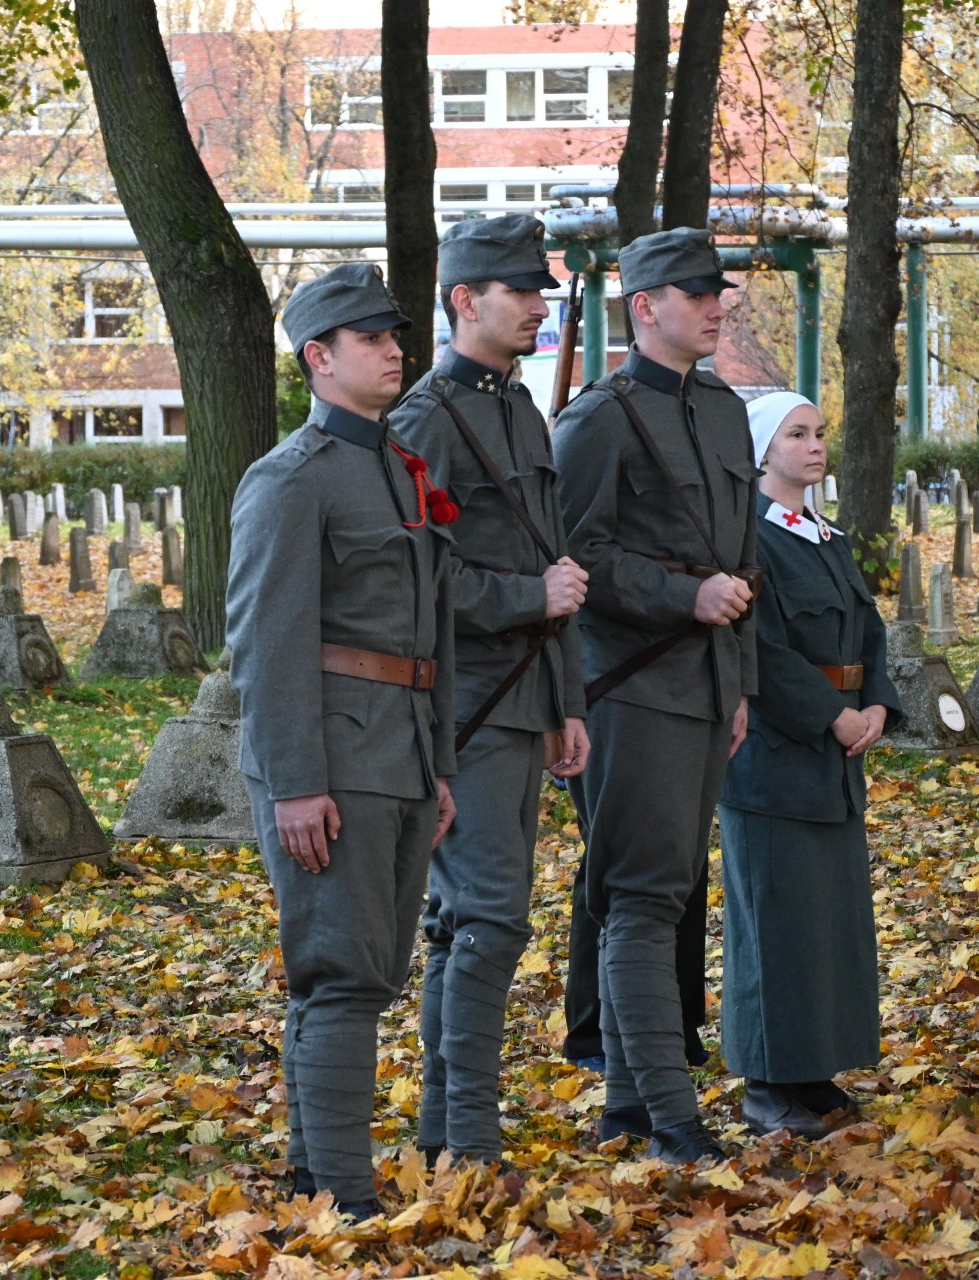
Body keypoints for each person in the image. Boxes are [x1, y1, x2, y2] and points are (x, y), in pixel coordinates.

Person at [227, 262, 458, 1219]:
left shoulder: (395, 467)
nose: (394, 349)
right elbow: (266, 641)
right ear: (319, 359)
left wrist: (438, 766)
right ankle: (347, 1194)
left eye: (395, 334)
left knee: (357, 971)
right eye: (370, 338)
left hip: (398, 752)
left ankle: (314, 1167)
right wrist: (292, 783)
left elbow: (426, 635)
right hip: (332, 758)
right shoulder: (290, 480)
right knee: (343, 975)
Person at [551, 227, 760, 1165]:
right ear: (645, 307)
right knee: (640, 898)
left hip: (707, 688)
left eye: (720, 291)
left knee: (668, 896)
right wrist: (685, 596)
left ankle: (630, 1110)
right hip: (629, 690)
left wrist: (741, 683)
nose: (720, 305)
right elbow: (578, 558)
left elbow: (741, 556)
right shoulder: (598, 417)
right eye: (698, 292)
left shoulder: (719, 407)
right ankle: (673, 1119)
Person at [387, 215, 587, 1167]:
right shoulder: (427, 417)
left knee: (465, 919)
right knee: (493, 914)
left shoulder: (521, 409)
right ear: (465, 300)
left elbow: (554, 562)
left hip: (523, 702)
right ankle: (467, 1135)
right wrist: (526, 600)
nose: (540, 306)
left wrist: (568, 702)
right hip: (463, 706)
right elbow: (421, 582)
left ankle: (447, 1130)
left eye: (541, 290)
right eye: (522, 291)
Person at [717, 392, 903, 1137]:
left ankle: (813, 1070)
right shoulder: (750, 542)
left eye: (821, 432)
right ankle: (768, 1084)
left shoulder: (827, 537)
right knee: (775, 924)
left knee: (826, 927)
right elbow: (760, 650)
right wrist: (832, 715)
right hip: (777, 757)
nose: (815, 446)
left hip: (836, 760)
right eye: (797, 435)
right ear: (763, 452)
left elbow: (871, 631)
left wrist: (880, 704)